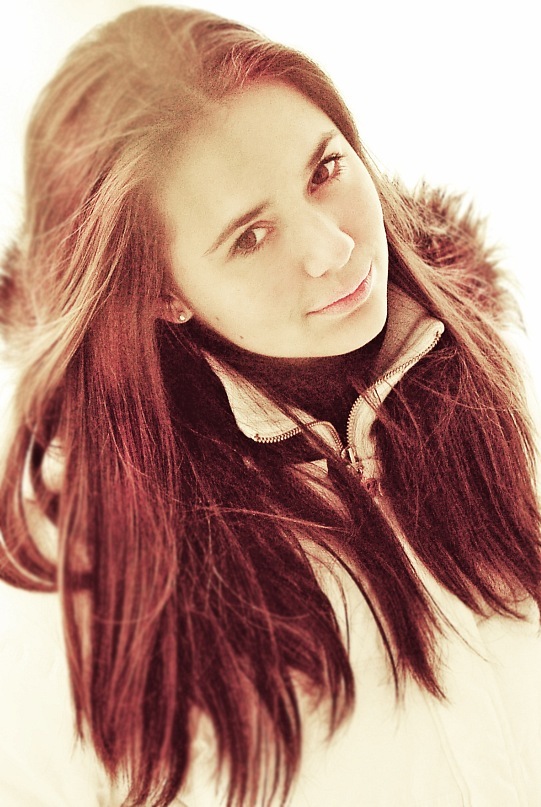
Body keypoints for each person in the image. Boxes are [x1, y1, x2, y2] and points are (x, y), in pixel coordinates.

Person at [0, 5, 540, 806]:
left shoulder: (498, 378)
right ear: (160, 294)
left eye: (324, 171)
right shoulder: (78, 586)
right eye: (249, 236)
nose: (333, 249)